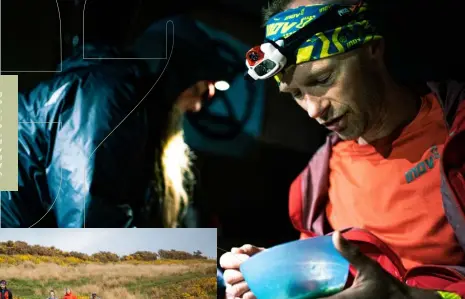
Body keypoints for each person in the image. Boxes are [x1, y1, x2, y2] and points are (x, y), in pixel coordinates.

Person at [220, 0, 465, 298]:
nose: (313, 110)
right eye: (296, 93)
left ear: (372, 48)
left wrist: (408, 297)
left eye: (323, 79)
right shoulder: (314, 188)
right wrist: (281, 275)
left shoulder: (456, 139)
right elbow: (329, 284)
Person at [0, 2, 230, 228]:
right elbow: (88, 218)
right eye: (198, 90)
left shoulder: (123, 100)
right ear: (177, 74)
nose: (197, 107)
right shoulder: (109, 94)